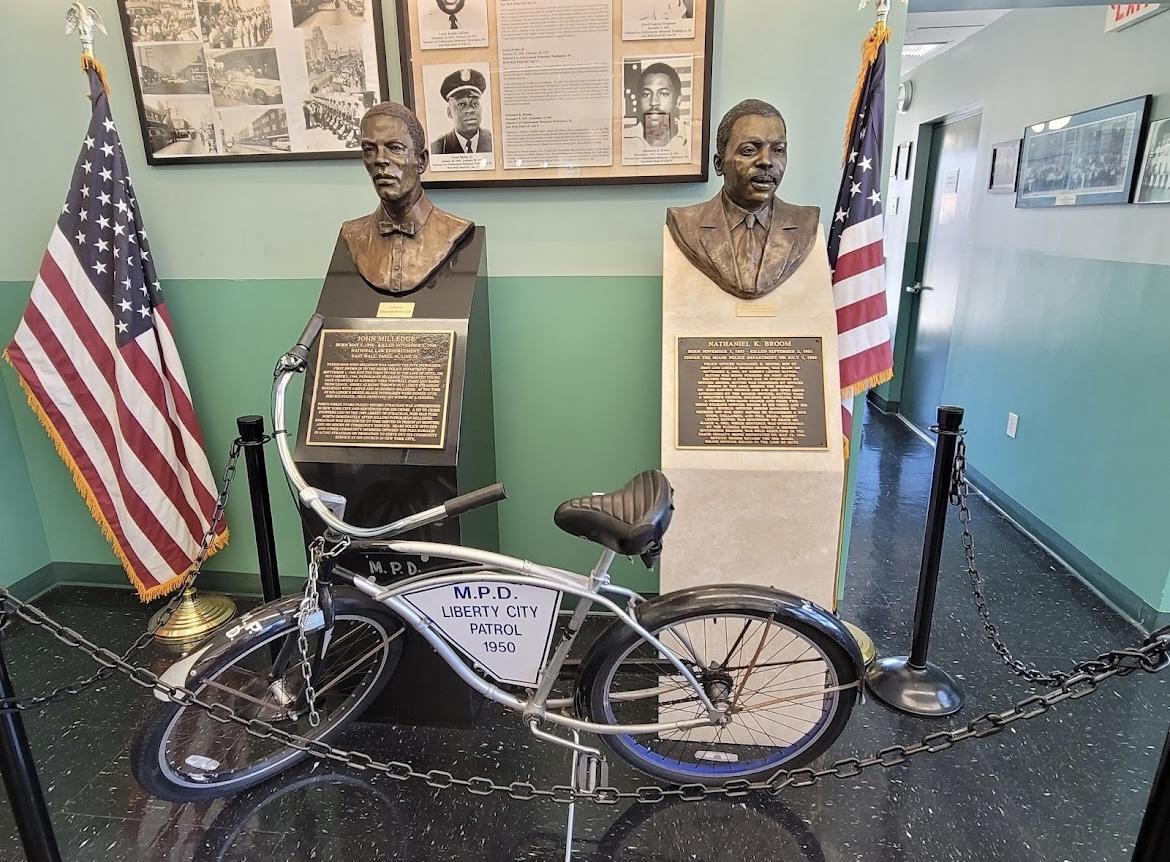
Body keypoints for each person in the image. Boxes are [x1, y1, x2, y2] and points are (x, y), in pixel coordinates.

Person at [666, 99, 819, 300]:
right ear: (719, 164)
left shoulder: (805, 223)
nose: (766, 161)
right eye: (749, 150)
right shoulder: (686, 222)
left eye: (778, 150)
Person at [341, 101, 474, 294]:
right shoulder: (352, 234)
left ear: (421, 161)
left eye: (394, 147)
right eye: (369, 149)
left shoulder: (455, 231)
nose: (380, 159)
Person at [623, 62, 688, 160]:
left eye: (663, 94)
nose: (654, 102)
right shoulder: (622, 142)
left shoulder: (693, 139)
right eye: (646, 94)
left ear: (678, 101)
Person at [429, 68, 492, 155]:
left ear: (481, 108)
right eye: (462, 105)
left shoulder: (493, 142)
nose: (470, 110)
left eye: (474, 104)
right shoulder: (438, 148)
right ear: (449, 112)